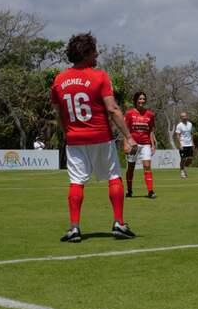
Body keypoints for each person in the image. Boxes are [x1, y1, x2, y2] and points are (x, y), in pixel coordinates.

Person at [49, 32, 136, 242]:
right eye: (94, 51)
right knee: (114, 176)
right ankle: (118, 223)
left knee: (76, 182)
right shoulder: (100, 76)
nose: (97, 54)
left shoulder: (59, 80)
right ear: (86, 53)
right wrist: (128, 136)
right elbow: (113, 109)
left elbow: (58, 113)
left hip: (74, 140)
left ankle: (74, 228)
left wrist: (67, 132)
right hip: (100, 137)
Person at [124, 91, 156, 198]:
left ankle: (150, 191)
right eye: (140, 99)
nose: (142, 101)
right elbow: (125, 130)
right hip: (133, 144)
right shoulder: (129, 113)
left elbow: (151, 131)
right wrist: (126, 144)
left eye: (143, 99)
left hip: (146, 144)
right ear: (135, 100)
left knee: (147, 166)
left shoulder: (150, 114)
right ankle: (129, 190)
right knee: (131, 167)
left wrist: (153, 145)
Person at [174, 112, 195, 178]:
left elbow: (191, 134)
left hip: (190, 144)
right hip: (183, 144)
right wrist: (180, 144)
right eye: (183, 116)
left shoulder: (190, 124)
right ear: (181, 118)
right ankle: (182, 171)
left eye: (185, 116)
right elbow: (177, 135)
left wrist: (193, 143)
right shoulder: (179, 125)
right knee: (183, 159)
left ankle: (184, 168)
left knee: (190, 159)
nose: (184, 117)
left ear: (187, 116)